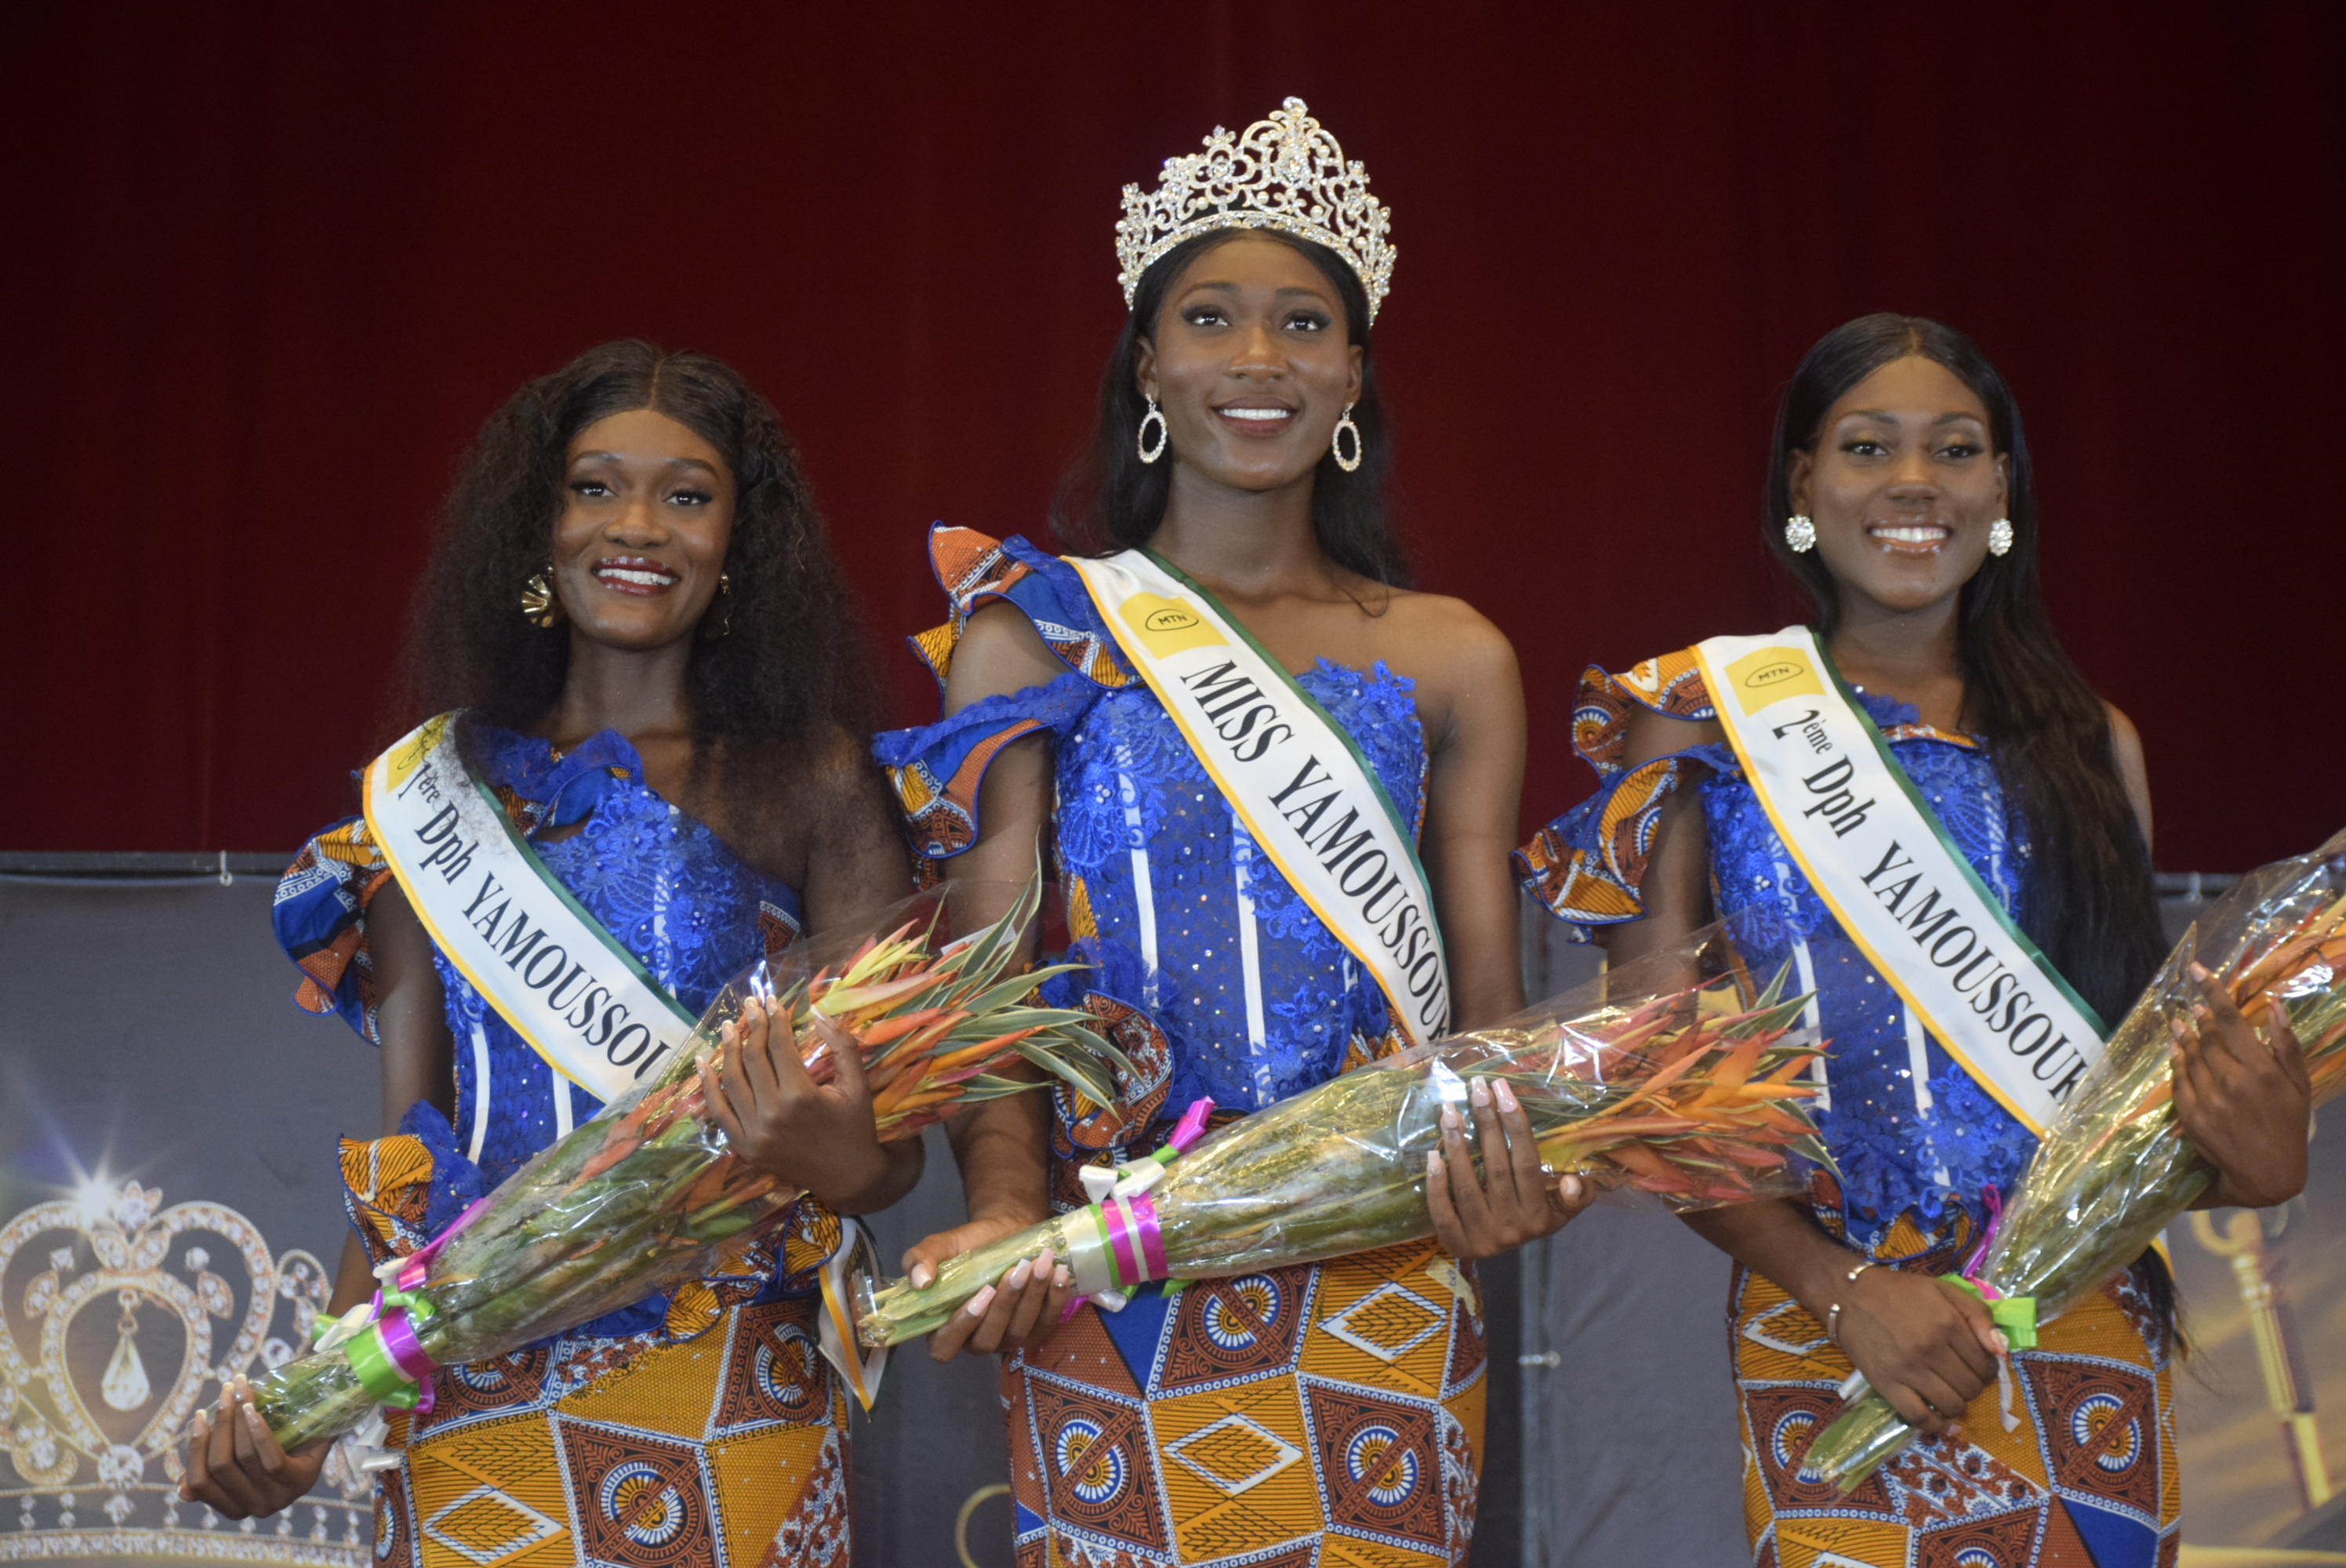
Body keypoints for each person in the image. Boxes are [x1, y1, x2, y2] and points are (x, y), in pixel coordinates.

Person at [871, 99, 1589, 1568]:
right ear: (1150, 364)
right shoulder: (1039, 633)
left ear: (1353, 377)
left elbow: (1488, 1021)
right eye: (1211, 319)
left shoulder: (1455, 658)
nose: (1258, 360)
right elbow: (985, 990)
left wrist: (1528, 1157)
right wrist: (1008, 1205)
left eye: (1303, 325)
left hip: (1378, 1285)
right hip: (1106, 1278)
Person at [1518, 314, 2313, 1566]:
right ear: (1803, 485)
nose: (1911, 483)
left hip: (2075, 1326)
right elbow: (1653, 1086)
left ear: (2001, 491)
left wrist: (2258, 1150)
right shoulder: (1704, 724)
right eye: (1866, 446)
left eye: (1954, 451)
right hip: (1834, 1334)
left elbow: (2129, 1088)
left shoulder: (2096, 747)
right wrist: (1845, 1291)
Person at [183, 341, 913, 1566]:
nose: (637, 526)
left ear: (741, 539)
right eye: (594, 487)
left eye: (687, 495)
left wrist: (846, 1157)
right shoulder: (433, 798)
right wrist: (312, 1402)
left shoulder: (817, 782)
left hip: (733, 1388)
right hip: (482, 1399)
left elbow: (891, 1155)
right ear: (539, 521)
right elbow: (414, 1164)